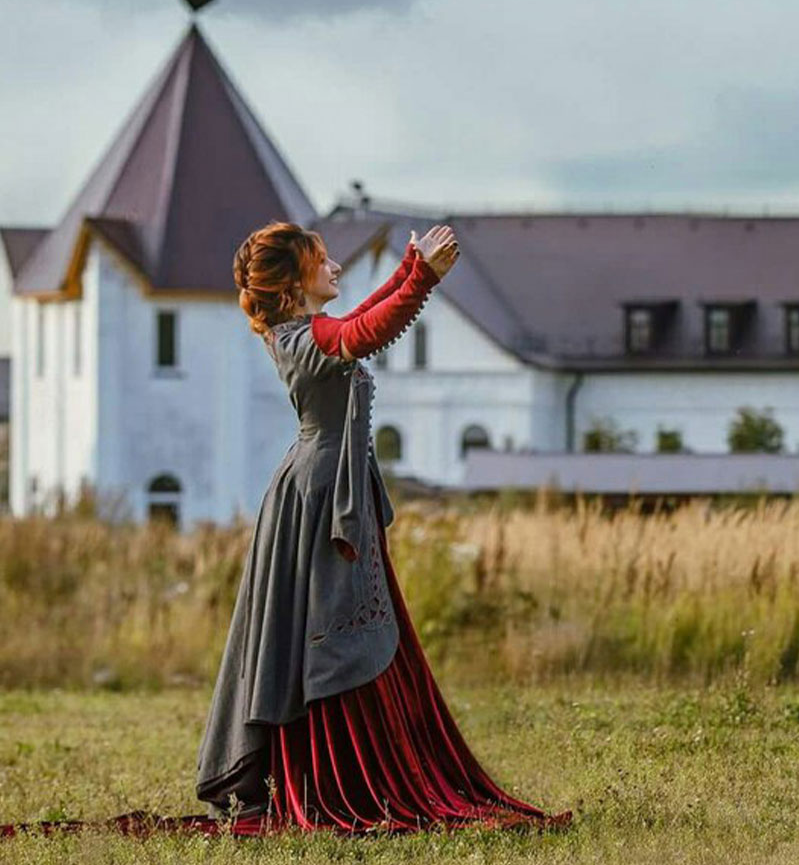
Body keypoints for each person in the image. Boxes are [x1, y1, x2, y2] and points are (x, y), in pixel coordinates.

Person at [190, 221, 566, 833]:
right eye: (322, 259)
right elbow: (366, 329)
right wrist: (421, 278)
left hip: (330, 491)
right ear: (293, 286)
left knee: (347, 619)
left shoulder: (309, 331)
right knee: (331, 626)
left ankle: (354, 762)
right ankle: (335, 773)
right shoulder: (303, 338)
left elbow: (359, 318)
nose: (335, 266)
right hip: (315, 500)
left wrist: (408, 270)